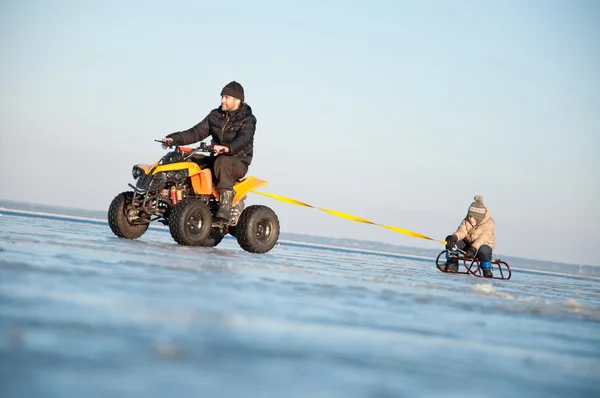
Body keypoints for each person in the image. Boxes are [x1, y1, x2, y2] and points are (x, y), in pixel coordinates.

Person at [161, 81, 256, 221]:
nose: (222, 100)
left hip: (238, 161)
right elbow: (195, 133)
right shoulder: (215, 115)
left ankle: (225, 204)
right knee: (187, 158)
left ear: (237, 100)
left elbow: (244, 139)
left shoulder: (248, 120)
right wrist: (173, 139)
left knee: (222, 161)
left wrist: (227, 148)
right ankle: (168, 195)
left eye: (226, 97)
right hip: (216, 157)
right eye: (222, 96)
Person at [441, 195, 496, 278]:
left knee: (484, 250)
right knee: (452, 242)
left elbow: (481, 240)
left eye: (473, 217)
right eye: (469, 216)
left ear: (479, 218)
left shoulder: (489, 224)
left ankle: (486, 269)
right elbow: (462, 231)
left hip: (481, 247)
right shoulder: (467, 221)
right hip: (468, 245)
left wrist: (473, 249)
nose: (470, 219)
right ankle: (453, 264)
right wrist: (454, 237)